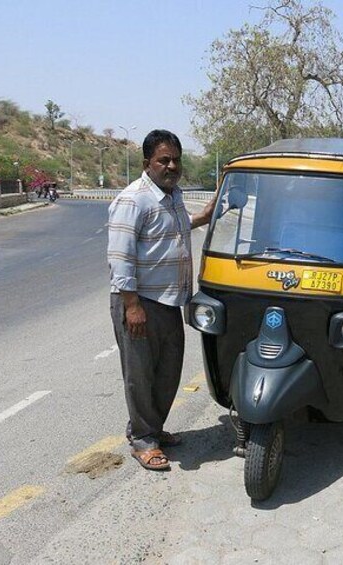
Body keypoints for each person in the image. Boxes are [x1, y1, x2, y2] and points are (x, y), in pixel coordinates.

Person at [107, 129, 216, 471]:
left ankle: (150, 428)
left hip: (170, 301)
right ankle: (143, 440)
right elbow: (120, 257)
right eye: (164, 160)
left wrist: (210, 211)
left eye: (176, 160)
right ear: (147, 163)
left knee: (167, 372)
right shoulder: (133, 199)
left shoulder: (173, 197)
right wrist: (132, 305)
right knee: (140, 374)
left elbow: (183, 227)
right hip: (140, 302)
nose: (171, 166)